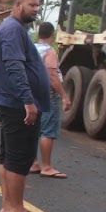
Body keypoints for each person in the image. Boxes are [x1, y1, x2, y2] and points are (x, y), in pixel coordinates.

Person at [0, 0, 52, 212]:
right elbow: (14, 66)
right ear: (18, 5)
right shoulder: (12, 30)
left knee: (8, 156)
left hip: (13, 103)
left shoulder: (14, 28)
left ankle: (9, 206)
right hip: (18, 105)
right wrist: (28, 101)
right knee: (19, 158)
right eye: (32, 6)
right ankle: (16, 211)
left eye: (38, 6)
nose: (36, 10)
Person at [29, 22, 71, 177]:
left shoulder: (32, 48)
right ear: (52, 35)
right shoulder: (50, 51)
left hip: (32, 93)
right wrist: (64, 95)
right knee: (47, 130)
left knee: (33, 128)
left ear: (39, 34)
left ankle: (33, 163)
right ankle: (46, 167)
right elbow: (52, 75)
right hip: (48, 94)